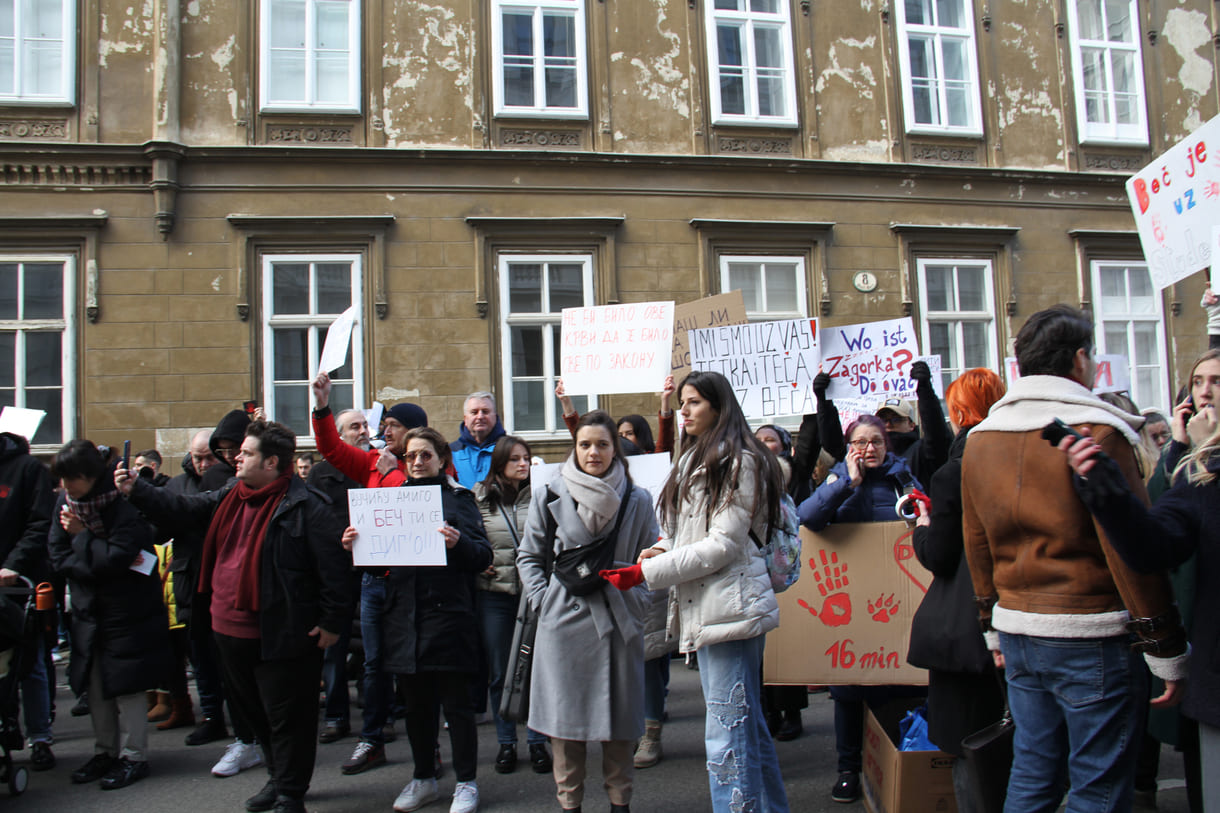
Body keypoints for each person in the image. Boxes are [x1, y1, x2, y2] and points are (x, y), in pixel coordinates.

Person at [961, 305, 1189, 812]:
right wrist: (1165, 646)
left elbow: (976, 540)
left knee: (1034, 767)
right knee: (1099, 781)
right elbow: (1129, 549)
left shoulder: (981, 438)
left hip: (1019, 624)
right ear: (1081, 360)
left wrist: (990, 626)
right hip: (1092, 629)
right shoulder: (1098, 432)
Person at [119, 420, 353, 813]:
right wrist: (137, 490)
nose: (235, 457)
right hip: (227, 628)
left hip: (283, 632)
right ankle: (277, 780)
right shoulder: (232, 493)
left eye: (246, 452)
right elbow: (185, 508)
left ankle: (291, 793)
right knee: (253, 714)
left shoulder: (308, 505)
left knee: (288, 718)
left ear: (272, 462)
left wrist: (332, 622)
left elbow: (334, 570)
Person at [613, 371, 789, 813]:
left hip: (730, 607)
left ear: (717, 406)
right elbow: (686, 534)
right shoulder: (695, 458)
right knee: (744, 728)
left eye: (693, 402)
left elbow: (723, 545)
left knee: (726, 736)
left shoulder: (740, 460)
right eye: (682, 403)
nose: (684, 410)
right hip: (712, 604)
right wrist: (655, 551)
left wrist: (648, 574)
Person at [1060, 397, 1217, 811]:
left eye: (1216, 382)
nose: (1205, 397)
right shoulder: (1200, 476)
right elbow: (1154, 544)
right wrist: (1103, 483)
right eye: (1198, 383)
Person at [341, 427, 491, 813]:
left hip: (448, 617)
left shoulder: (460, 500)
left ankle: (466, 783)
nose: (418, 462)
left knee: (456, 707)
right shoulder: (391, 501)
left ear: (442, 459)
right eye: (411, 456)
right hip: (404, 617)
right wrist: (355, 546)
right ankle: (423, 777)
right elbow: (378, 563)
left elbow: (483, 556)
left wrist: (458, 544)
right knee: (417, 707)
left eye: (426, 455)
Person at [517, 410, 657, 813]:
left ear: (616, 449)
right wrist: (545, 602)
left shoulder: (637, 497)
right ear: (574, 448)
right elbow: (528, 557)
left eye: (602, 444)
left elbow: (651, 555)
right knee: (566, 728)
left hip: (618, 622)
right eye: (584, 444)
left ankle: (620, 803)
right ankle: (570, 804)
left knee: (620, 726)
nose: (593, 452)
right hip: (564, 625)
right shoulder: (549, 493)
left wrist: (638, 600)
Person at [798, 412, 926, 803]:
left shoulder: (903, 479)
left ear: (887, 446)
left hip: (892, 602)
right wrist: (846, 485)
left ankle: (889, 765)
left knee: (892, 686)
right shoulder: (837, 478)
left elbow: (924, 519)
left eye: (876, 442)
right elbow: (808, 518)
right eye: (860, 442)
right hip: (851, 604)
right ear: (849, 447)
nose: (868, 449)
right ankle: (848, 769)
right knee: (849, 690)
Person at [311, 372, 428, 775]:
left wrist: (395, 471)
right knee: (374, 663)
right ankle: (371, 739)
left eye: (392, 425)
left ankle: (426, 749)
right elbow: (331, 449)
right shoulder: (372, 466)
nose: (382, 431)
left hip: (414, 586)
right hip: (375, 581)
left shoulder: (426, 465)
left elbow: (420, 509)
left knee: (416, 665)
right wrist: (322, 406)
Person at [906, 368, 1008, 812]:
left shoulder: (956, 472)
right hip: (1021, 614)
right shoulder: (1018, 457)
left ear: (960, 412)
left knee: (973, 742)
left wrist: (922, 528)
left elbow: (941, 556)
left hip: (968, 627)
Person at [48, 439, 172, 790]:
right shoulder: (66, 503)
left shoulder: (121, 505)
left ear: (89, 476)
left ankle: (134, 755)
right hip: (88, 608)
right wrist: (87, 559)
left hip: (127, 609)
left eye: (70, 479)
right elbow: (58, 556)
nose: (65, 487)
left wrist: (83, 539)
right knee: (96, 683)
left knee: (127, 684)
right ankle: (105, 750)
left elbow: (120, 558)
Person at [471, 435, 552, 775]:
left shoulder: (542, 494)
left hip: (533, 595)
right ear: (500, 463)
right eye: (515, 459)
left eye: (526, 458)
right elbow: (471, 536)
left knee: (535, 669)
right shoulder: (480, 498)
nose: (523, 464)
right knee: (501, 671)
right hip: (495, 595)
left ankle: (537, 742)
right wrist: (478, 560)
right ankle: (506, 742)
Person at [307, 409, 368, 746]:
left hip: (372, 571)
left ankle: (377, 712)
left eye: (364, 425)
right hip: (336, 571)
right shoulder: (320, 474)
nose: (362, 431)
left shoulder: (374, 466)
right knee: (334, 647)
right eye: (354, 427)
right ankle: (336, 716)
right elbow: (315, 521)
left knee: (373, 647)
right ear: (339, 435)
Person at [0, 428, 57, 771]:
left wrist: (12, 565)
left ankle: (40, 737)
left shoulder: (27, 469)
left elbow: (40, 523)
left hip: (19, 584)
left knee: (30, 662)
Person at [814, 360, 951, 488]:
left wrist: (925, 390)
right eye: (883, 419)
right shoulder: (860, 451)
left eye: (896, 419)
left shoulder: (921, 453)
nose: (889, 424)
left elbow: (937, 435)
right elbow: (832, 442)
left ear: (911, 425)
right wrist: (824, 400)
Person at [450, 392, 507, 488]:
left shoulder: (509, 449)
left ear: (495, 416)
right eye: (474, 412)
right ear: (465, 419)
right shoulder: (450, 452)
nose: (480, 416)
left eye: (485, 411)